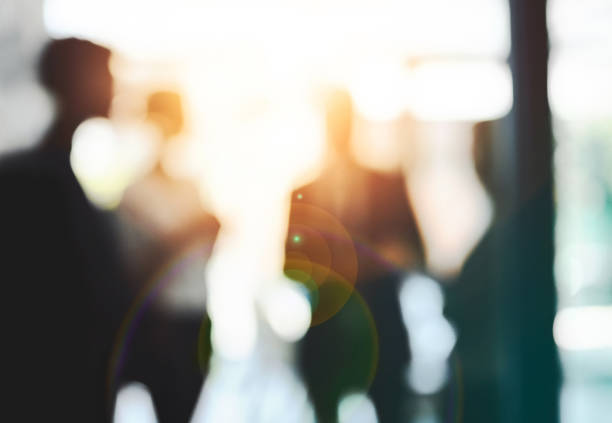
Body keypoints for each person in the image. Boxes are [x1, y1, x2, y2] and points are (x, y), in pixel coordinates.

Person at [0, 38, 125, 422]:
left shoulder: (52, 177)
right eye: (105, 73)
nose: (114, 86)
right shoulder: (31, 181)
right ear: (75, 80)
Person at [284, 89, 424, 422]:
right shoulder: (303, 192)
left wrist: (369, 259)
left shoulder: (388, 184)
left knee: (392, 410)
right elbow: (290, 265)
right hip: (328, 333)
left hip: (382, 328)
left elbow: (414, 252)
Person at [444, 119, 560, 423]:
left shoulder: (512, 235)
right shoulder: (508, 231)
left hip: (490, 380)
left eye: (480, 151)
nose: (475, 163)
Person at [116, 90, 219, 423]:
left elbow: (205, 254)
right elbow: (133, 268)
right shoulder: (135, 191)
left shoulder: (192, 188)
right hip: (162, 323)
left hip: (196, 318)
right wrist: (184, 235)